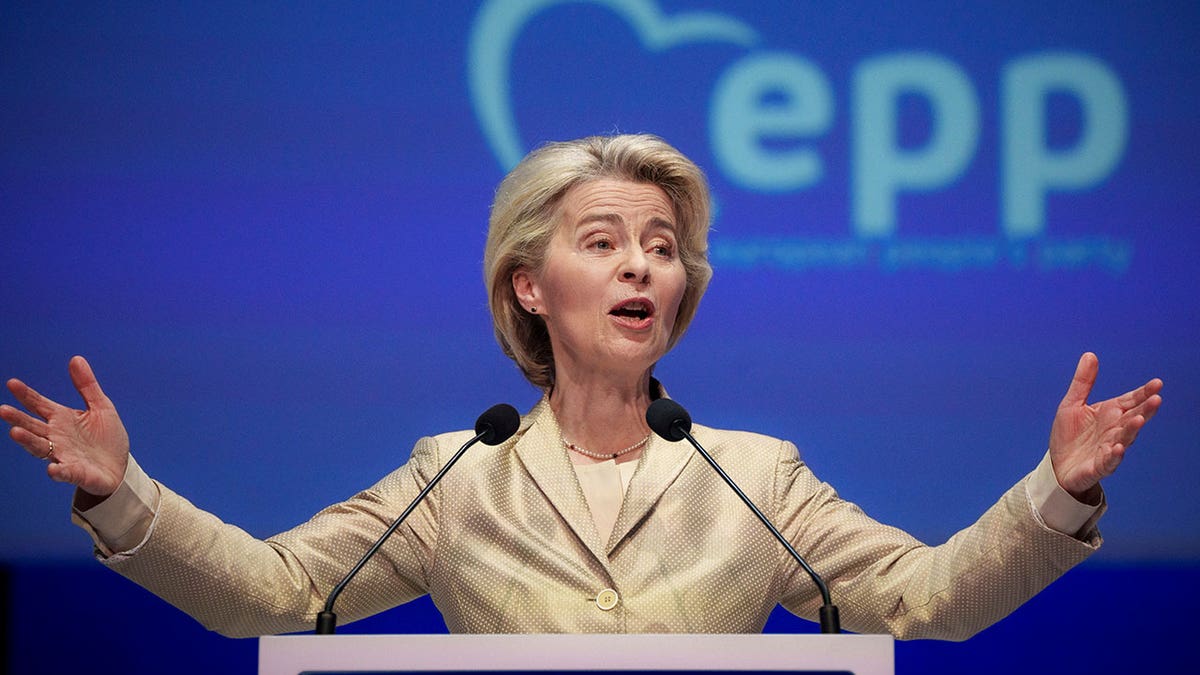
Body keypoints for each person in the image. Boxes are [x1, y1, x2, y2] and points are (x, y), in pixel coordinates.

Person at [1, 134, 1163, 638]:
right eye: (603, 241)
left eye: (660, 245)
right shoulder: (455, 478)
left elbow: (927, 601)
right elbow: (275, 595)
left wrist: (1055, 493)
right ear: (529, 287)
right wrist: (123, 497)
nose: (640, 265)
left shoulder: (757, 478)